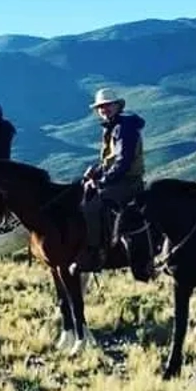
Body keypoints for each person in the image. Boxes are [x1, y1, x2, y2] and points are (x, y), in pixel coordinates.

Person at [75, 87, 146, 272]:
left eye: (108, 105)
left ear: (117, 106)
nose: (104, 110)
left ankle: (95, 253)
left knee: (90, 205)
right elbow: (110, 161)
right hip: (119, 178)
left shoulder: (124, 128)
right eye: (101, 107)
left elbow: (123, 162)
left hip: (127, 182)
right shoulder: (113, 127)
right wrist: (96, 172)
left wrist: (102, 181)